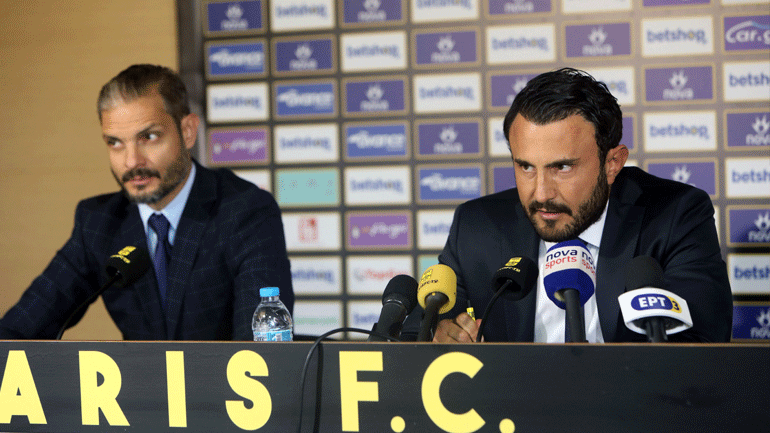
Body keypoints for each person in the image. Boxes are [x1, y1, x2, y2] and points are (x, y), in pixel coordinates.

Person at [411, 67, 732, 343]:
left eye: (562, 167)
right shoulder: (477, 226)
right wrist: (440, 335)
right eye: (525, 166)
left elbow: (702, 345)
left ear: (612, 163)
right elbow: (419, 331)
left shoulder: (674, 216)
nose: (541, 193)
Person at [0, 64, 293, 340]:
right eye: (115, 142)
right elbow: (18, 329)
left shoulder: (245, 212)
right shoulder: (99, 223)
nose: (131, 161)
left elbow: (262, 347)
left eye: (149, 137)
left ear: (188, 132)